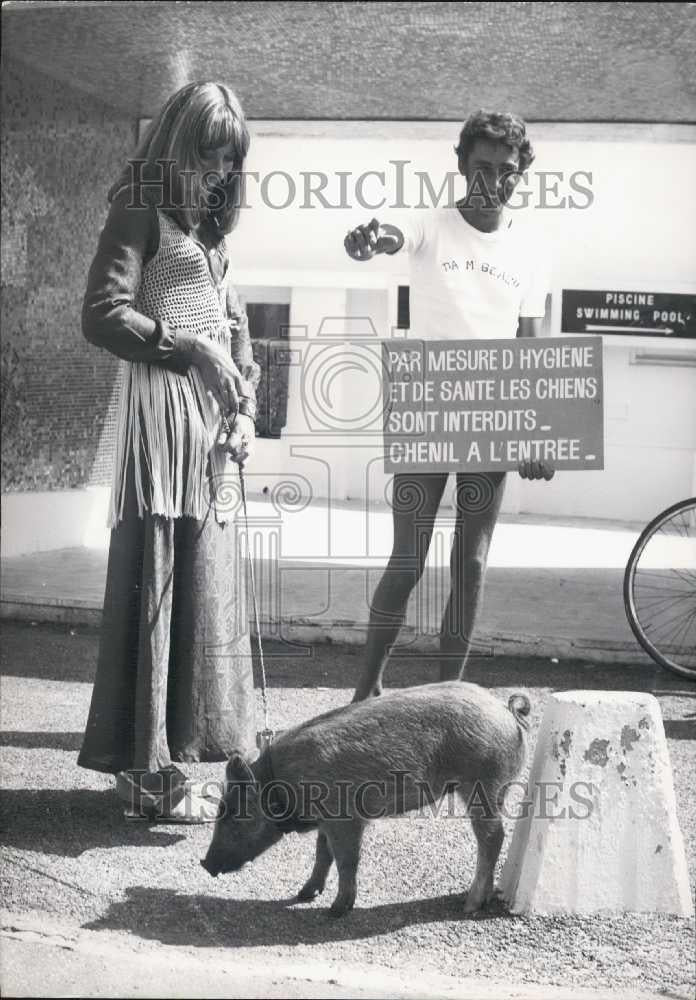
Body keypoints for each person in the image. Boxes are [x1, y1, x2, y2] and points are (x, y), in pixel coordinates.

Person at [77, 82, 261, 821]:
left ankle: (185, 760)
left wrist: (246, 404)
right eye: (206, 155)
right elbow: (101, 315)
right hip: (157, 439)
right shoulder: (138, 208)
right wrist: (185, 349)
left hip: (210, 442)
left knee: (205, 595)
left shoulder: (213, 230)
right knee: (152, 592)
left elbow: (235, 327)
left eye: (229, 160)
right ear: (174, 146)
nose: (217, 172)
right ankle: (143, 771)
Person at [344, 110, 554, 701]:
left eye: (507, 171)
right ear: (462, 166)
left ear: (521, 175)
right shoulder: (429, 225)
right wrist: (368, 238)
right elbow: (389, 235)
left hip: (491, 411)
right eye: (482, 167)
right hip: (428, 402)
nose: (495, 180)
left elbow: (530, 347)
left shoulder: (531, 250)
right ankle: (366, 692)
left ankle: (446, 705)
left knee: (473, 563)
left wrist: (538, 435)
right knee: (408, 560)